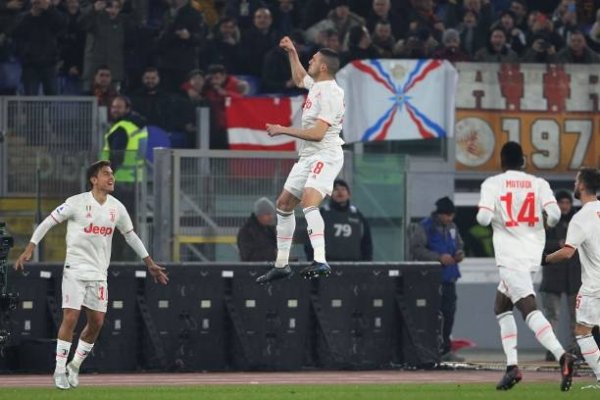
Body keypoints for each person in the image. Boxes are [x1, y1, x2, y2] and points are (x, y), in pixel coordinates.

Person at [13, 160, 168, 390]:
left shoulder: (117, 208)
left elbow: (131, 235)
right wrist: (30, 246)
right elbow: (48, 221)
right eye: (106, 174)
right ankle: (58, 370)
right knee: (71, 317)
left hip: (98, 273)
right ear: (94, 180)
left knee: (96, 322)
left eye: (112, 174)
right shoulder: (76, 203)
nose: (111, 177)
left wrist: (150, 263)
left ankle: (74, 366)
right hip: (75, 269)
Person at [476, 141, 575, 391]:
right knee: (501, 306)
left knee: (528, 307)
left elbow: (483, 217)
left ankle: (562, 355)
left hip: (510, 255)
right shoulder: (539, 184)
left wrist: (499, 217)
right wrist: (539, 225)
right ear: (523, 161)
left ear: (501, 162)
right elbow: (554, 215)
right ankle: (512, 367)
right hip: (531, 253)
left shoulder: (493, 184)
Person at [256, 36, 344, 283]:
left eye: (313, 59)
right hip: (308, 155)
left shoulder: (331, 94)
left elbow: (317, 134)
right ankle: (282, 265)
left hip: (325, 153)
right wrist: (292, 52)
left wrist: (283, 129)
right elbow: (299, 78)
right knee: (283, 204)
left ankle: (320, 259)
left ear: (324, 66)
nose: (310, 61)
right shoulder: (317, 85)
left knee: (308, 202)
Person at [544, 168, 600, 389]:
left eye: (576, 181)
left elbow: (568, 252)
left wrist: (545, 259)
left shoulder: (582, 217)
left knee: (583, 332)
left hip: (594, 285)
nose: (574, 184)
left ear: (583, 186)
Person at [409, 196, 464, 362]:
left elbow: (460, 245)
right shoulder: (425, 227)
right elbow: (416, 249)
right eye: (446, 215)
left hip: (449, 279)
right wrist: (438, 257)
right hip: (431, 279)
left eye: (451, 215)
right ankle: (428, 350)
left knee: (449, 315)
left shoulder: (453, 227)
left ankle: (445, 349)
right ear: (439, 214)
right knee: (431, 316)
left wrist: (460, 254)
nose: (449, 218)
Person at [101, 95, 147, 260]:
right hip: (135, 182)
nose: (115, 110)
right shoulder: (138, 126)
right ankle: (129, 258)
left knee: (115, 224)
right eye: (113, 107)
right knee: (128, 224)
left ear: (127, 109)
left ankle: (117, 259)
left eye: (119, 107)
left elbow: (116, 158)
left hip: (119, 184)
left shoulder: (122, 128)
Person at [540, 190, 581, 361]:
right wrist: (556, 244)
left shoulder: (578, 221)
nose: (565, 206)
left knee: (576, 317)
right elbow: (537, 242)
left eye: (567, 202)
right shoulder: (548, 221)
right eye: (561, 202)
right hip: (553, 275)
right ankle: (553, 349)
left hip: (574, 276)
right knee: (552, 315)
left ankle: (575, 349)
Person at [305, 179, 372, 262]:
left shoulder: (358, 215)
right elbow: (311, 240)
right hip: (328, 265)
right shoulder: (322, 214)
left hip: (354, 265)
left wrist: (366, 264)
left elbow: (366, 243)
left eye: (343, 189)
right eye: (336, 189)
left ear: (349, 195)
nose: (340, 192)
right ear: (330, 194)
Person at [237, 197, 277, 262]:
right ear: (260, 214)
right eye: (268, 214)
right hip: (253, 270)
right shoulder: (247, 231)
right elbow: (247, 256)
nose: (271, 217)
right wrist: (273, 253)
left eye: (271, 214)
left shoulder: (269, 230)